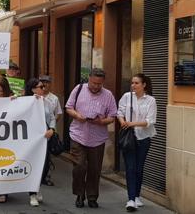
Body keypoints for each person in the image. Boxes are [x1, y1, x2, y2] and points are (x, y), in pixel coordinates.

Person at [65, 68, 117, 209]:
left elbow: (112, 116)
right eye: (93, 83)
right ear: (89, 79)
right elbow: (68, 107)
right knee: (79, 167)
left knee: (94, 169)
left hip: (97, 138)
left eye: (99, 84)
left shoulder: (108, 95)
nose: (95, 86)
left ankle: (92, 197)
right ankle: (79, 194)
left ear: (103, 82)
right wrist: (77, 115)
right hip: (78, 135)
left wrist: (102, 121)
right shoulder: (79, 89)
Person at [117, 73, 157, 212]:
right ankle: (131, 199)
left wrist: (131, 123)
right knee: (130, 168)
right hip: (129, 138)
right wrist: (123, 122)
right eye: (132, 83)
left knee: (139, 168)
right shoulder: (127, 97)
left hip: (144, 138)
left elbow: (150, 121)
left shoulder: (151, 100)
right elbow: (120, 111)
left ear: (144, 85)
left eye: (136, 83)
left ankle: (137, 195)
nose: (133, 85)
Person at [24, 78, 56, 207]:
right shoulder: (25, 102)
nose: (44, 89)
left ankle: (38, 187)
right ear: (33, 89)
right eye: (40, 87)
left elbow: (52, 117)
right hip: (31, 139)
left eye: (44, 87)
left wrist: (52, 129)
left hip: (44, 138)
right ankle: (32, 193)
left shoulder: (47, 102)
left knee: (45, 165)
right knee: (34, 164)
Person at [38, 75, 62, 186]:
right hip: (37, 131)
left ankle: (46, 176)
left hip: (49, 131)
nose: (44, 84)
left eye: (46, 82)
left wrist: (51, 127)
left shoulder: (54, 98)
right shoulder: (35, 97)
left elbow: (58, 114)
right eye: (42, 82)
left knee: (48, 156)